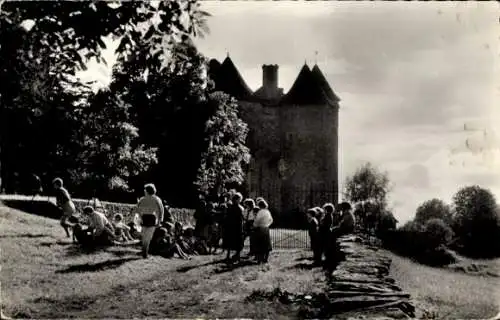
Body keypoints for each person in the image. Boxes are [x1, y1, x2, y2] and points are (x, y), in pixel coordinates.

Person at [135, 183, 164, 258]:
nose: (144, 191)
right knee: (148, 237)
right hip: (151, 218)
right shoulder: (156, 199)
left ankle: (144, 252)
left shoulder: (142, 199)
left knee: (145, 236)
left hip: (144, 218)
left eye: (145, 190)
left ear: (147, 191)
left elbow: (137, 210)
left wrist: (140, 218)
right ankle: (145, 253)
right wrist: (159, 221)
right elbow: (160, 211)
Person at [325, 202, 356, 272]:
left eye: (342, 207)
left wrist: (335, 228)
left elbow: (343, 224)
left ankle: (330, 254)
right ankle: (330, 253)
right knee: (332, 232)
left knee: (332, 233)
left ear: (344, 207)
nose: (340, 208)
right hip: (346, 228)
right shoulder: (347, 213)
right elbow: (341, 223)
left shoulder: (347, 213)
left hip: (347, 229)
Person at [222, 192, 245, 263]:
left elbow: (226, 217)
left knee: (230, 241)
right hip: (237, 226)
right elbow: (241, 218)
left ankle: (229, 255)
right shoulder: (240, 208)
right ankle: (236, 255)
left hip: (230, 226)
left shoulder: (230, 207)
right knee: (238, 241)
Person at [253, 199, 273, 264]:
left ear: (260, 205)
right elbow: (271, 220)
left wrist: (255, 225)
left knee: (260, 244)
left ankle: (259, 259)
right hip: (266, 228)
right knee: (267, 244)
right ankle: (266, 259)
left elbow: (257, 220)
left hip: (260, 228)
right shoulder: (268, 212)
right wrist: (267, 225)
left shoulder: (260, 212)